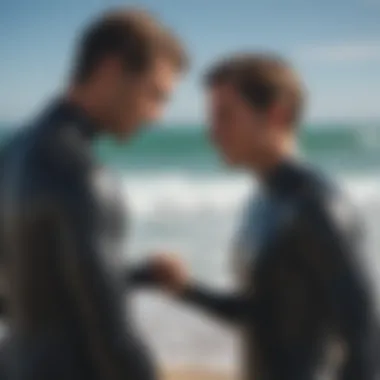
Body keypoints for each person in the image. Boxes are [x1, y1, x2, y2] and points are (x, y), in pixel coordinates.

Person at [151, 54, 380, 380]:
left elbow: (364, 339)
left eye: (224, 116)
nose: (212, 132)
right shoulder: (262, 200)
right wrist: (186, 289)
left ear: (277, 116)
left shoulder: (319, 206)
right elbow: (259, 315)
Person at [0, 8, 188, 380]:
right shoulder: (85, 177)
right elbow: (112, 338)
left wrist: (140, 275)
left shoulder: (15, 153)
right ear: (109, 70)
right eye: (154, 94)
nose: (157, 116)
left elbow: (32, 289)